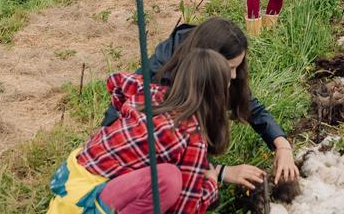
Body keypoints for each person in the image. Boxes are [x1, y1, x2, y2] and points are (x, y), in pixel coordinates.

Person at [101, 18, 299, 185]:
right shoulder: (162, 84)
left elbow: (246, 103)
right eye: (229, 68)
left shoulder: (210, 58)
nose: (233, 76)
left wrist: (282, 144)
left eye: (237, 67)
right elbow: (161, 158)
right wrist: (222, 172)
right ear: (208, 64)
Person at [47, 47, 231, 214]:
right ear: (217, 92)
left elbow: (116, 81)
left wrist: (127, 119)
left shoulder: (150, 93)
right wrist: (211, 184)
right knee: (169, 179)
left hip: (70, 182)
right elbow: (185, 209)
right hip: (87, 205)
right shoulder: (193, 136)